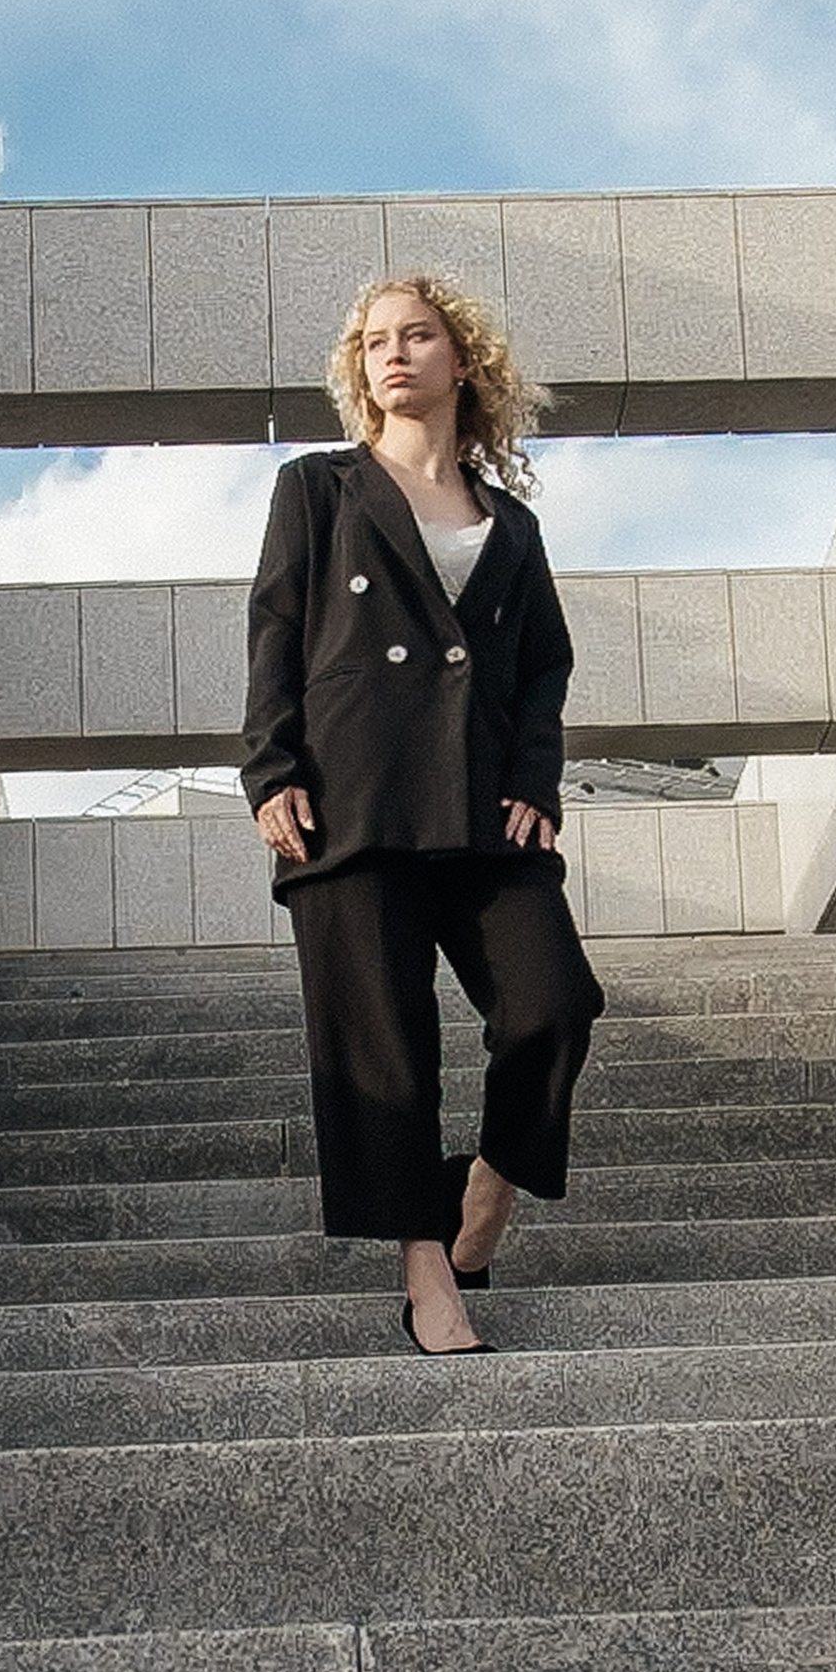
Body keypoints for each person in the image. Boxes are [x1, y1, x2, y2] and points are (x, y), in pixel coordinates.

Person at [240, 271, 602, 1356]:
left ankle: (483, 1196)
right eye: (373, 342)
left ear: (462, 360)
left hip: (483, 802)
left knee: (553, 1003)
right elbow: (275, 631)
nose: (391, 354)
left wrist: (535, 782)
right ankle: (425, 1272)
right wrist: (269, 769)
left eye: (418, 336)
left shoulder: (511, 524)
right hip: (349, 800)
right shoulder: (318, 489)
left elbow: (544, 665)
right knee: (382, 1047)